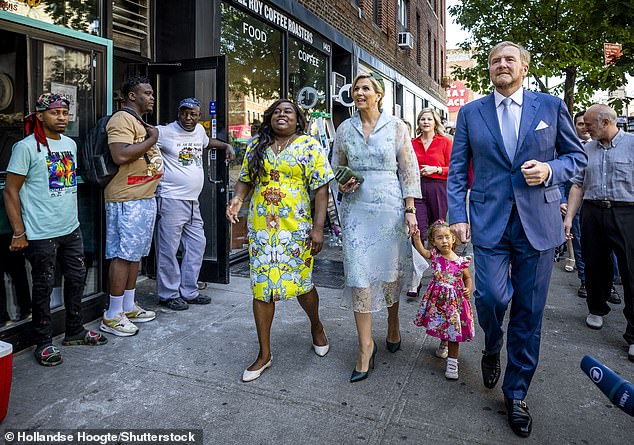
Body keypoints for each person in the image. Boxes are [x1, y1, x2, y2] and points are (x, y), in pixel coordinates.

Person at [447, 41, 587, 437]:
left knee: (529, 311)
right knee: (489, 296)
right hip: (490, 221)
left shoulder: (550, 106)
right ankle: (492, 344)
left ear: (524, 67)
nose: (501, 65)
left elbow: (576, 158)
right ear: (488, 69)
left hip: (538, 224)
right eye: (494, 60)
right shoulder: (471, 113)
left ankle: (516, 391)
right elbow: (458, 171)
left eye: (509, 59)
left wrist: (549, 169)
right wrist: (458, 216)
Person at [225, 99, 333, 382]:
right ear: (269, 118)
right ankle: (264, 354)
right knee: (262, 288)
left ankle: (316, 326)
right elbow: (245, 179)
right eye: (276, 111)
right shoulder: (256, 145)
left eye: (288, 111)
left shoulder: (310, 146)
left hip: (296, 227)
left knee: (302, 284)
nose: (281, 115)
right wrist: (237, 199)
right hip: (262, 228)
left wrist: (318, 229)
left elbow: (321, 189)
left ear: (298, 120)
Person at [3, 93, 108, 366]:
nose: (62, 117)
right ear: (40, 116)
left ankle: (74, 330)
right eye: (55, 113)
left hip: (70, 228)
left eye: (65, 112)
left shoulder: (70, 144)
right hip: (40, 232)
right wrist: (19, 232)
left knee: (76, 279)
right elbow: (11, 191)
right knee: (44, 287)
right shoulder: (25, 148)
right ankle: (44, 342)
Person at [332, 73, 421, 383]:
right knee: (359, 273)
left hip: (390, 206)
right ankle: (365, 346)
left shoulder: (396, 127)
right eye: (356, 89)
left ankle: (393, 325)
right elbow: (335, 165)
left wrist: (410, 211)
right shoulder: (345, 128)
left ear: (379, 95)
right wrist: (342, 185)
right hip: (356, 208)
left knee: (391, 271)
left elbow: (409, 170)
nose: (359, 92)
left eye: (365, 88)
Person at [564, 104, 634, 362]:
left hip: (627, 212)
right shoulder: (586, 149)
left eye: (590, 124)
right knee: (594, 264)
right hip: (593, 211)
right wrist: (570, 217)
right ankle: (596, 307)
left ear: (605, 123)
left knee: (630, 271)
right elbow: (577, 186)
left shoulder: (632, 145)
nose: (586, 129)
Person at [155, 97, 235, 311]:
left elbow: (208, 142)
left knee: (197, 245)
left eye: (193, 114)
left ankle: (188, 291)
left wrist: (225, 145)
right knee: (168, 249)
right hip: (171, 199)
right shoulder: (164, 132)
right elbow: (142, 137)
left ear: (199, 115)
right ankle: (168, 294)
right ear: (178, 113)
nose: (188, 118)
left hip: (193, 202)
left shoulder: (199, 130)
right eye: (184, 113)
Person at [100, 76, 163, 337]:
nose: (152, 97)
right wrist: (153, 138)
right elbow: (121, 154)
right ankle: (113, 314)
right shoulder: (122, 119)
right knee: (123, 254)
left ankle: (128, 304)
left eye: (151, 93)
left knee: (135, 254)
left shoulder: (138, 121)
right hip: (126, 199)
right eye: (146, 93)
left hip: (143, 198)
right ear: (131, 96)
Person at [561, 112, 621, 302]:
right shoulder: (577, 150)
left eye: (587, 124)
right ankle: (589, 288)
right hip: (586, 210)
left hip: (619, 211)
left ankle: (610, 284)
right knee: (586, 251)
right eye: (580, 125)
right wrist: (566, 211)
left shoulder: (626, 145)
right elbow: (572, 183)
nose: (585, 129)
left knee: (617, 254)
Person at [412, 219, 473, 380]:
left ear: (453, 239)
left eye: (447, 237)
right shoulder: (435, 255)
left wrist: (468, 289)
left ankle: (452, 363)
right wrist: (417, 239)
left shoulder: (461, 262)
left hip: (454, 303)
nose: (444, 241)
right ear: (433, 242)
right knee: (443, 325)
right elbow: (423, 252)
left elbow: (467, 279)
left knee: (454, 330)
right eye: (439, 238)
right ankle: (443, 342)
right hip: (438, 301)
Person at [407, 108, 452, 298]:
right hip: (417, 190)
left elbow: (455, 168)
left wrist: (437, 169)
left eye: (429, 119)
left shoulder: (445, 142)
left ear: (435, 122)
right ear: (418, 123)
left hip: (438, 188)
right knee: (416, 229)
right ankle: (415, 278)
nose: (425, 122)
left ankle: (439, 273)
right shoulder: (411, 143)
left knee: (438, 231)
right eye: (422, 119)